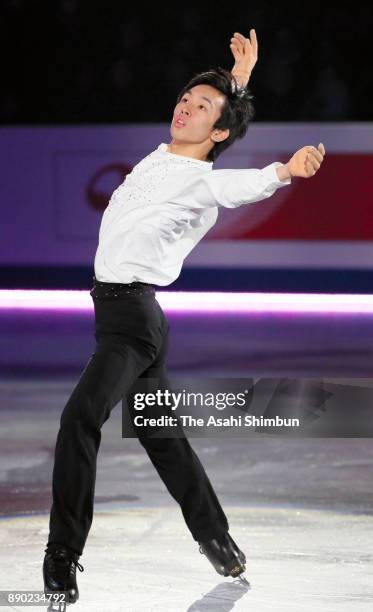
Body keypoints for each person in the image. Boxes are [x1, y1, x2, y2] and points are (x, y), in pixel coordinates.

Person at [42, 28, 325, 604]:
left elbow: (237, 183)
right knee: (162, 435)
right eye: (184, 100)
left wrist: (283, 172)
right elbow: (219, 121)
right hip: (120, 317)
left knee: (80, 420)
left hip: (132, 323)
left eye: (200, 109)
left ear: (216, 133)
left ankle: (62, 557)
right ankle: (218, 541)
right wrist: (236, 81)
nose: (185, 108)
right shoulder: (164, 156)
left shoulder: (200, 181)